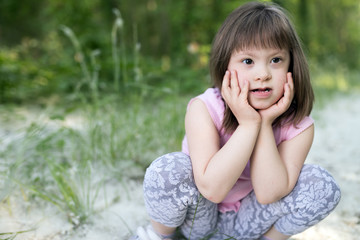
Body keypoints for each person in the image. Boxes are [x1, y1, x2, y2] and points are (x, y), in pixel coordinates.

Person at [132, 2, 341, 240]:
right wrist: (248, 124)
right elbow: (212, 189)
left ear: (292, 65)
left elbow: (268, 194)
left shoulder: (298, 126)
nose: (263, 74)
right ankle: (159, 236)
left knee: (321, 185)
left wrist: (262, 124)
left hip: (251, 223)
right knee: (168, 170)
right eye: (248, 61)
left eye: (276, 60)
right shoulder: (205, 108)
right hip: (199, 219)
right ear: (225, 67)